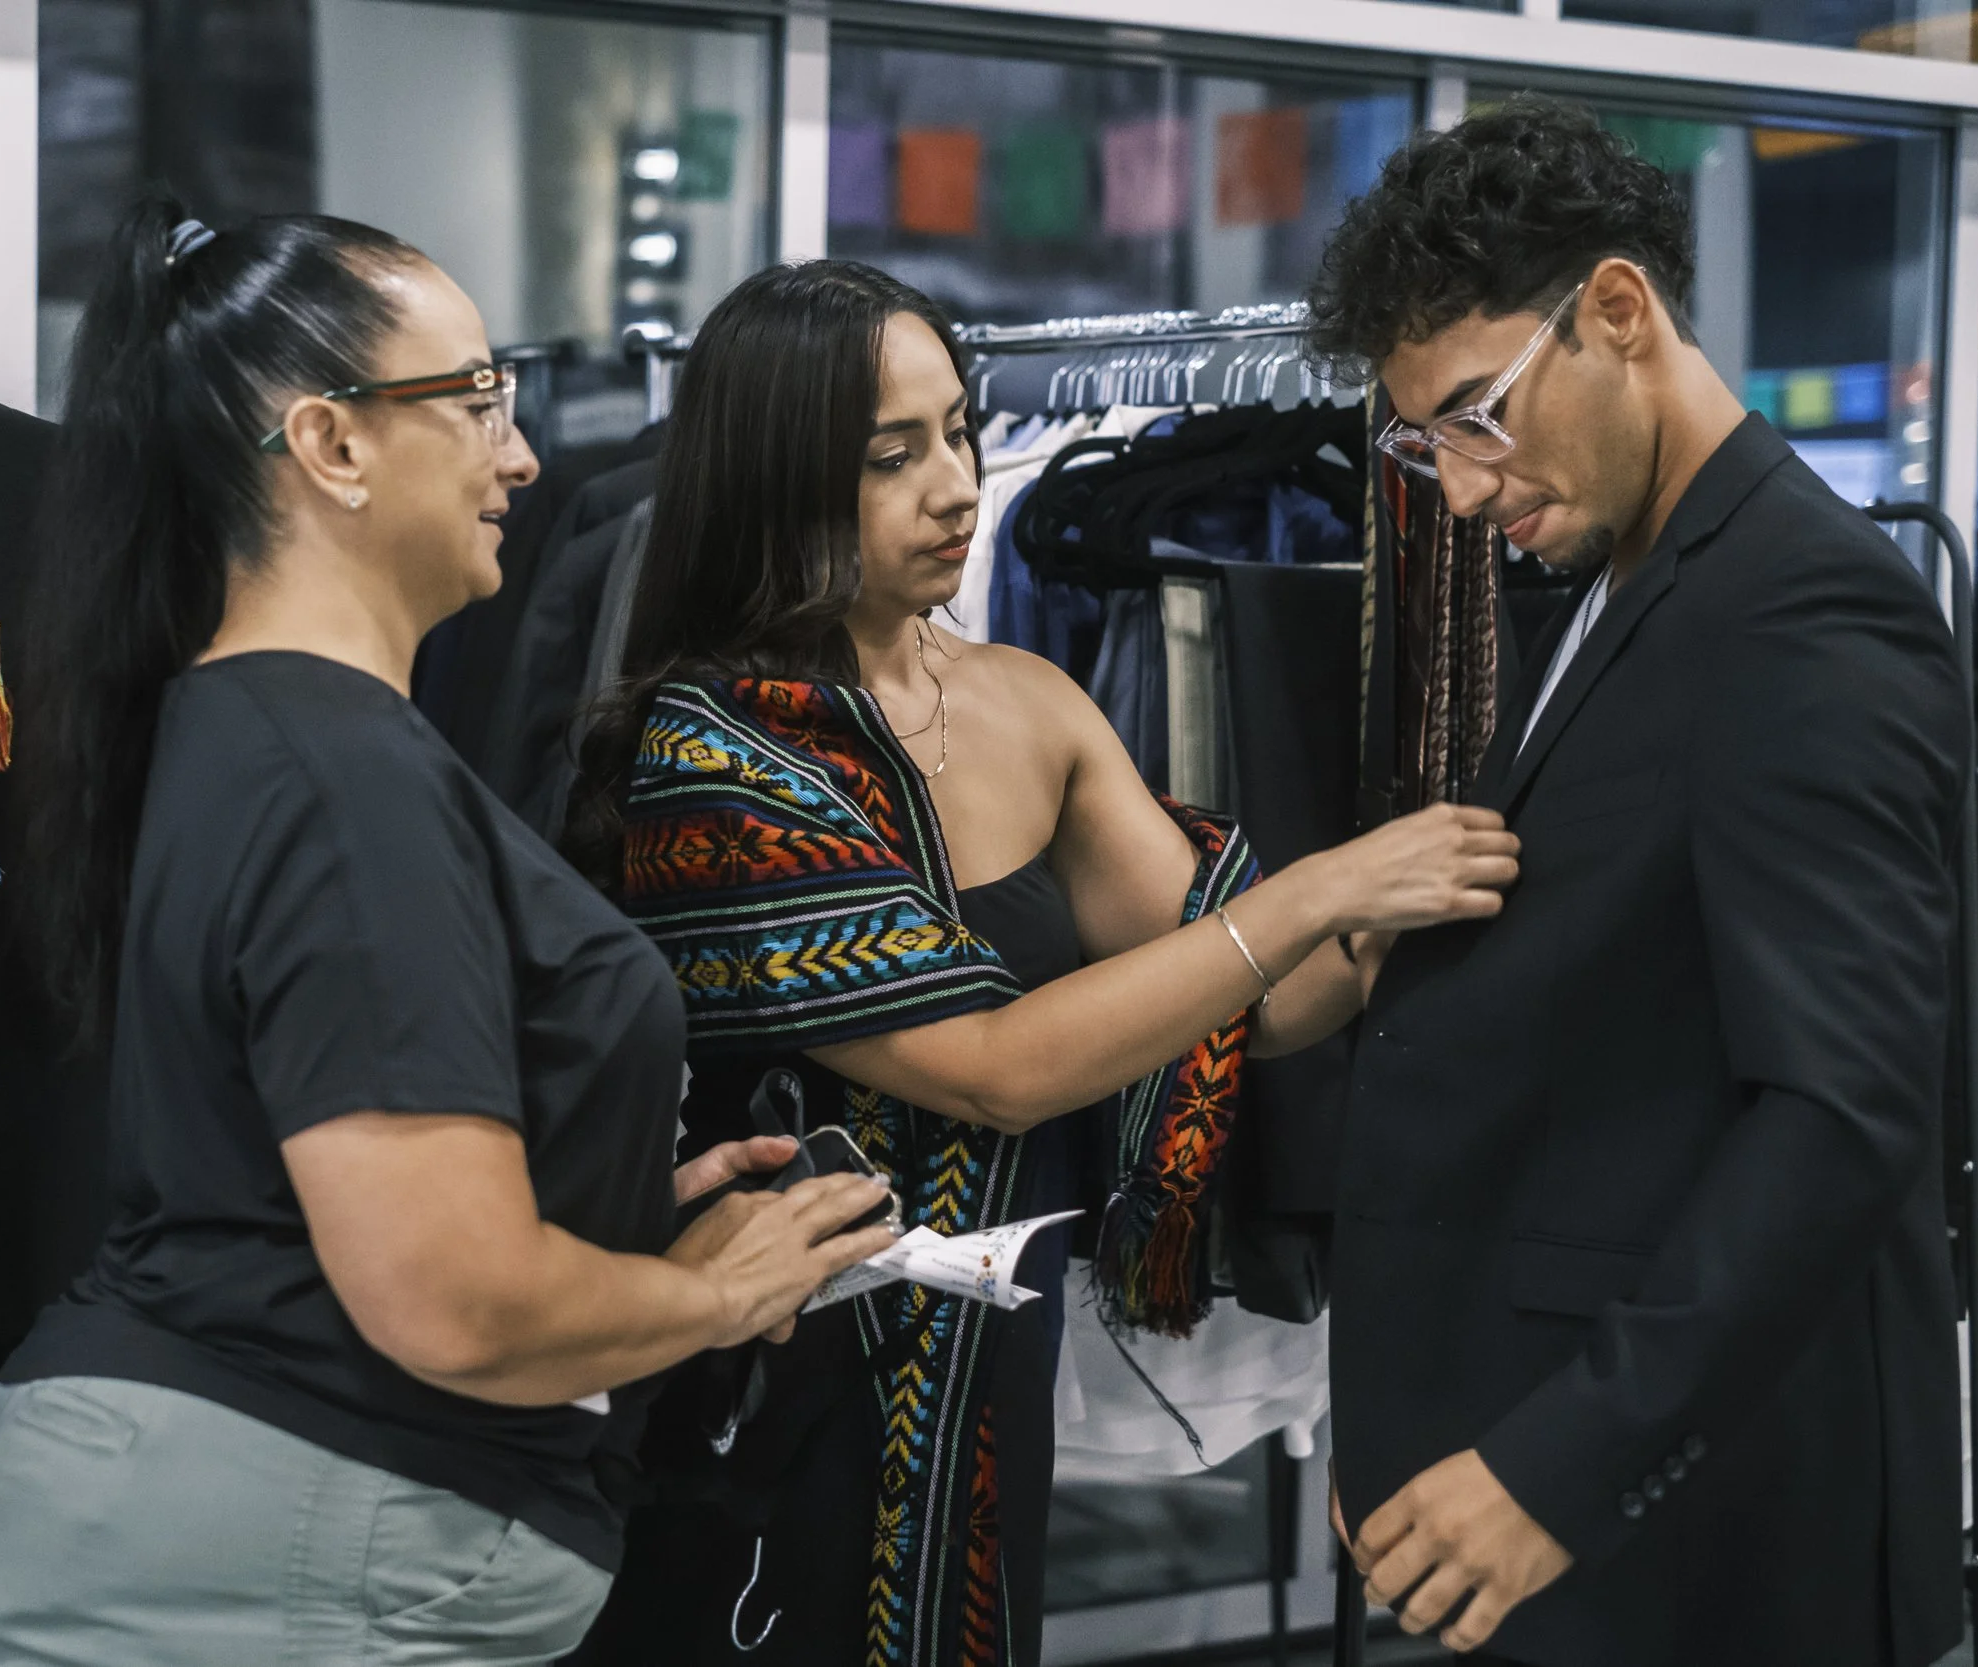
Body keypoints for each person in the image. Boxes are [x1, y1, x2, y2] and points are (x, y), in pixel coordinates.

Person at [0, 198, 898, 1667]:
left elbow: (292, 1173)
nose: (519, 455)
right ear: (333, 445)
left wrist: (606, 1211)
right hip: (302, 1511)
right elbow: (450, 1298)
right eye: (473, 402)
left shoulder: (241, 728)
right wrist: (718, 1287)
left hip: (228, 1486)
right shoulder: (345, 786)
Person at [561, 260, 1523, 1667]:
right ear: (777, 481)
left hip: (979, 1373)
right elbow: (996, 1073)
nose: (955, 486)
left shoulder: (1024, 701)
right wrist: (1319, 887)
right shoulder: (717, 758)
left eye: (959, 431)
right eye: (896, 455)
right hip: (770, 1373)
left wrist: (1396, 909)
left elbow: (1267, 1001)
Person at [1302, 97, 1967, 1666]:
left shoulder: (1803, 611)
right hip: (1553, 1481)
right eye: (1427, 443)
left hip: (1691, 1525)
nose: (1459, 488)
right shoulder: (1624, 579)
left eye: (1476, 415)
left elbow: (1843, 1110)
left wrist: (1555, 1467)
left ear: (1617, 311)